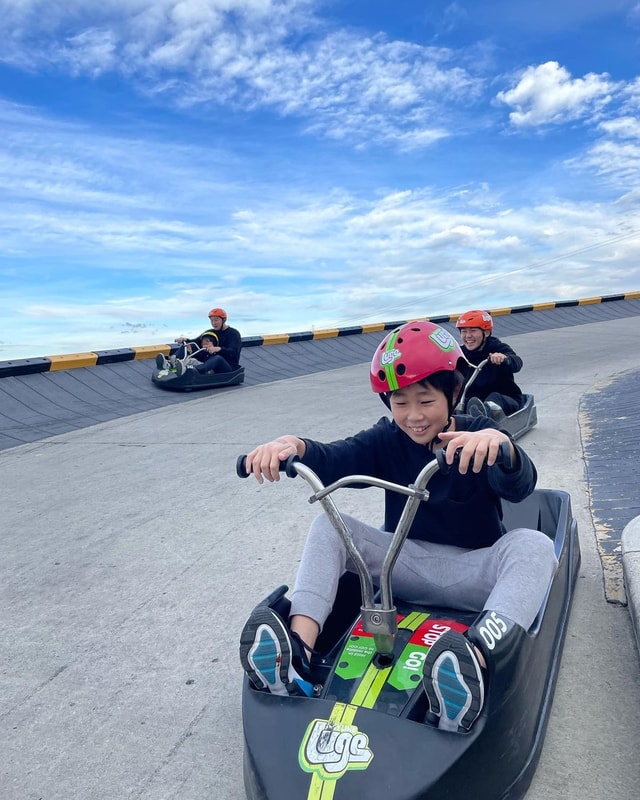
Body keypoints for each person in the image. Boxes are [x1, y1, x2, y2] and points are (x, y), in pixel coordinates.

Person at [238, 320, 557, 733]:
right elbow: (336, 457)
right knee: (328, 526)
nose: (414, 416)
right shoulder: (387, 438)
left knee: (533, 545)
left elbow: (519, 486)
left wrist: (503, 447)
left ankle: (470, 662)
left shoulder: (478, 437)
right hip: (399, 570)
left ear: (453, 393)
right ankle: (296, 652)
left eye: (425, 400)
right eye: (401, 402)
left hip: (474, 574)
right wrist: (293, 447)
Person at [456, 309, 524, 418]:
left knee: (493, 399)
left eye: (473, 330)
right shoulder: (460, 353)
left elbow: (517, 363)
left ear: (486, 333)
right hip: (474, 400)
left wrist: (505, 359)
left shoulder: (498, 348)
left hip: (505, 398)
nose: (468, 336)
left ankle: (482, 418)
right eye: (463, 331)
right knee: (457, 401)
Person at [156, 307, 242, 374]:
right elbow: (197, 341)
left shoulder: (233, 333)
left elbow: (234, 352)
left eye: (216, 320)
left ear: (223, 320)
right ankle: (170, 363)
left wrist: (218, 349)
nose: (214, 323)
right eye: (212, 320)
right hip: (209, 359)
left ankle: (192, 371)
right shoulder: (210, 332)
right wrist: (186, 341)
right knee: (189, 346)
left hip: (228, 365)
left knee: (218, 358)